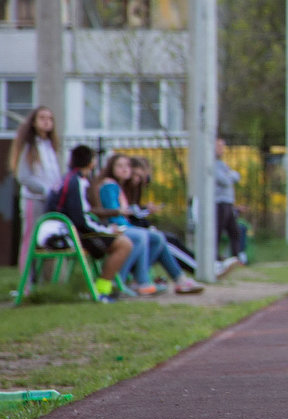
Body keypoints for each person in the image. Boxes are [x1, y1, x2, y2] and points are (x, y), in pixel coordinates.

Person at [92, 154, 203, 296]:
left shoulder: (120, 186)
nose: (125, 170)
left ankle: (158, 280)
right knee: (145, 236)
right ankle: (134, 280)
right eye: (120, 166)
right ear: (111, 168)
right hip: (113, 228)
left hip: (123, 225)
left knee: (157, 238)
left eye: (127, 166)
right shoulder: (110, 185)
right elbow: (114, 214)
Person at [53, 145, 133, 303]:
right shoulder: (76, 183)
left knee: (121, 241)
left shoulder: (70, 178)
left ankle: (104, 288)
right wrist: (108, 229)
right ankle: (101, 291)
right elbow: (81, 220)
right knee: (124, 244)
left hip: (68, 229)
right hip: (70, 233)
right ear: (91, 162)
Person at [10, 106, 62, 277]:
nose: (47, 121)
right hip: (34, 199)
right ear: (33, 122)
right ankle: (26, 284)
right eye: (42, 117)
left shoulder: (50, 145)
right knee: (30, 240)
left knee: (46, 240)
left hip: (50, 200)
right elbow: (24, 176)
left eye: (50, 118)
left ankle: (45, 281)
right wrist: (45, 190)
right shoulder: (29, 146)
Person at [214, 138, 245, 274]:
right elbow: (225, 180)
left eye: (223, 146)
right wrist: (230, 176)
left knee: (235, 231)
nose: (222, 149)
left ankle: (236, 259)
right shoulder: (211, 163)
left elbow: (236, 176)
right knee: (217, 233)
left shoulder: (222, 163)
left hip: (228, 202)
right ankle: (214, 260)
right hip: (219, 202)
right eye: (220, 146)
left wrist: (230, 176)